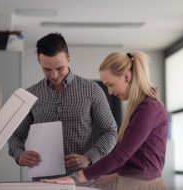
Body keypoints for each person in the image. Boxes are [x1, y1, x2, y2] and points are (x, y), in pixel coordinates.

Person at [42, 51, 169, 190]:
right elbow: (139, 157)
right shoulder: (140, 107)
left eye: (110, 84)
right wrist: (116, 177)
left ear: (127, 76)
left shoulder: (148, 109)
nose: (109, 92)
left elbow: (120, 156)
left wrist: (76, 178)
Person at [8, 32, 117, 181]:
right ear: (39, 62)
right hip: (43, 183)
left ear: (68, 60)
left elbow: (110, 131)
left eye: (60, 68)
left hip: (79, 181)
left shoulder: (92, 90)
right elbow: (15, 135)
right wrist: (19, 155)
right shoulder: (30, 95)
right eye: (47, 69)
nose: (54, 75)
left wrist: (89, 158)